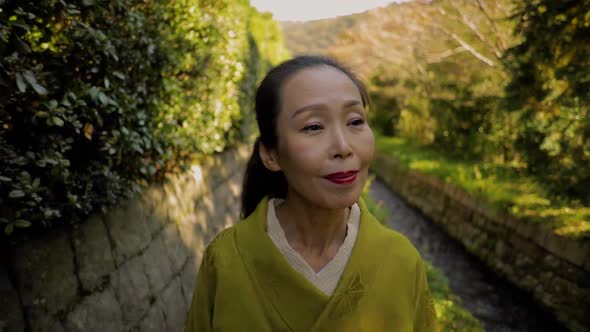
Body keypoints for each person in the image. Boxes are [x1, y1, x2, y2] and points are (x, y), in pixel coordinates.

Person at [185, 55, 439, 331]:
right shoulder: (225, 260)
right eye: (313, 127)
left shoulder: (401, 260)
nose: (343, 146)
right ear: (271, 155)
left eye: (355, 121)